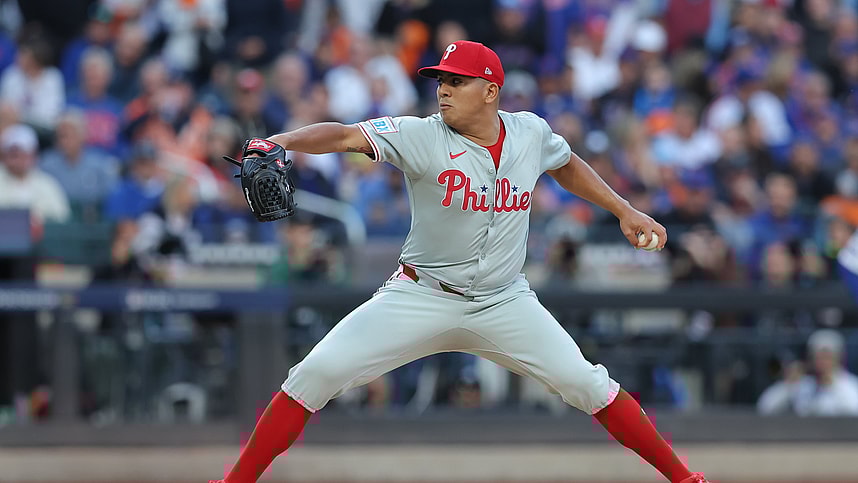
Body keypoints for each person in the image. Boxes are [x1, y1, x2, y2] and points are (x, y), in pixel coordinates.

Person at [211, 41, 709, 483]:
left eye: (456, 82)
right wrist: (280, 142)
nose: (443, 91)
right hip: (420, 294)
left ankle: (684, 478)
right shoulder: (422, 135)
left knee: (586, 383)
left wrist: (623, 209)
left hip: (504, 300)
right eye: (440, 82)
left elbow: (564, 163)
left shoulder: (530, 133)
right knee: (314, 373)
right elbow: (344, 136)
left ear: (490, 91)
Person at [757, 329, 858, 416]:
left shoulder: (849, 383)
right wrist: (788, 385)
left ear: (838, 358)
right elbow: (765, 407)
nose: (821, 362)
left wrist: (833, 384)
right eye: (817, 357)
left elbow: (854, 409)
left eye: (827, 357)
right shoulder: (804, 384)